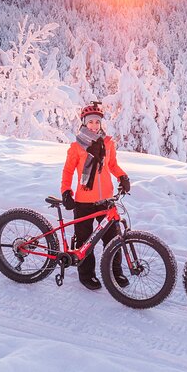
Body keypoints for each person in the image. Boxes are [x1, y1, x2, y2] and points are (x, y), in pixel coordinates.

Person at [60, 102, 131, 290]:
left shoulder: (107, 144)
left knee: (113, 240)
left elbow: (112, 166)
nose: (94, 125)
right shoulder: (76, 147)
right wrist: (66, 191)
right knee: (85, 241)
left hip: (105, 201)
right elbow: (67, 171)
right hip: (83, 201)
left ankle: (115, 273)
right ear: (84, 123)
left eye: (97, 122)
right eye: (90, 122)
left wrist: (122, 177)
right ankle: (86, 275)